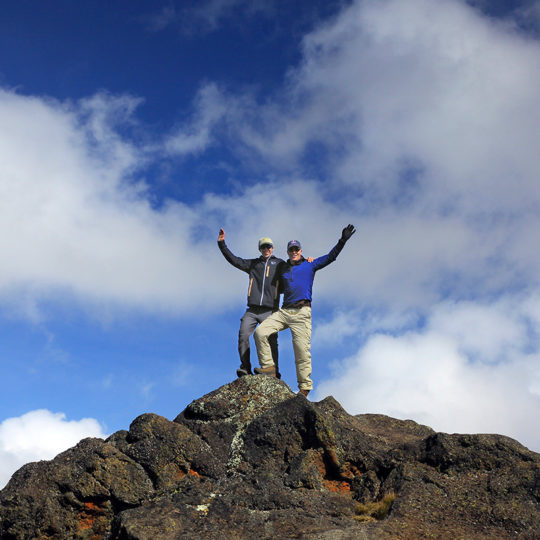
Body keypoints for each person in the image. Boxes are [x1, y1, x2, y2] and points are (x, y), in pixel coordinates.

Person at [254, 225, 356, 397]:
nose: (293, 252)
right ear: (287, 252)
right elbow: (268, 271)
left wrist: (342, 240)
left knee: (301, 351)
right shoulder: (283, 268)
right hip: (284, 311)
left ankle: (304, 387)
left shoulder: (310, 265)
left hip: (302, 313)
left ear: (300, 250)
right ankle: (268, 368)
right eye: (291, 249)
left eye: (296, 249)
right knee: (260, 333)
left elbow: (331, 257)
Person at [217, 228, 283, 378]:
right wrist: (222, 244)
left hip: (270, 310)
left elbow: (294, 267)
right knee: (243, 335)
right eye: (263, 247)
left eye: (269, 246)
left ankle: (274, 371)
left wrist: (306, 259)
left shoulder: (279, 264)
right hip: (252, 310)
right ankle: (245, 368)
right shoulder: (253, 264)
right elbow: (234, 260)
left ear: (272, 248)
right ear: (259, 249)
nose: (266, 249)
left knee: (271, 340)